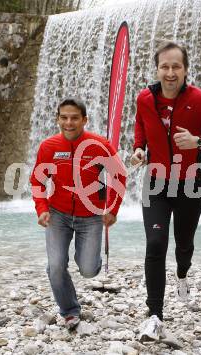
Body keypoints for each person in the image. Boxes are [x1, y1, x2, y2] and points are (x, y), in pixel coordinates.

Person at [131, 41, 201, 341]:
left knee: (183, 245)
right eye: (164, 66)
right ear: (157, 69)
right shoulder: (144, 98)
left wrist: (200, 141)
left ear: (186, 70)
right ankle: (154, 316)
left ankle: (182, 274)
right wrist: (139, 148)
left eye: (176, 66)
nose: (170, 72)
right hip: (155, 183)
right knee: (155, 244)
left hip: (189, 183)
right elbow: (140, 124)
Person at [30, 97, 126, 329]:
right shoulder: (49, 147)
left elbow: (119, 176)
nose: (69, 123)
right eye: (64, 118)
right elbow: (37, 180)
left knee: (88, 269)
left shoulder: (98, 145)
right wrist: (42, 209)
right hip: (58, 215)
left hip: (91, 216)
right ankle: (70, 311)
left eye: (74, 118)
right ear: (57, 119)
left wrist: (112, 209)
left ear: (84, 120)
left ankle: (83, 259)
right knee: (55, 266)